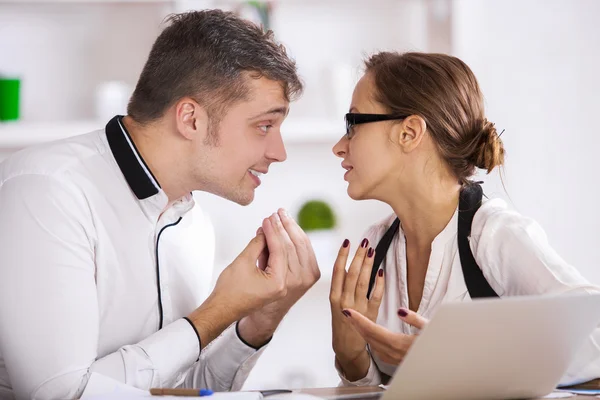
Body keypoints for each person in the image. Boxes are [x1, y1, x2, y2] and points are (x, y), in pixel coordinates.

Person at [0, 10, 321, 400]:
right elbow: (60, 395)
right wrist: (217, 311)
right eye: (265, 126)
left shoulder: (193, 224)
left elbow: (175, 392)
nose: (279, 152)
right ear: (190, 118)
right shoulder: (48, 190)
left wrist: (253, 324)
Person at [328, 51, 600, 387]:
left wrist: (462, 356)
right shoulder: (375, 247)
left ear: (409, 133)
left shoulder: (495, 235)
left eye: (353, 124)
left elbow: (594, 333)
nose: (339, 146)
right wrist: (351, 357)